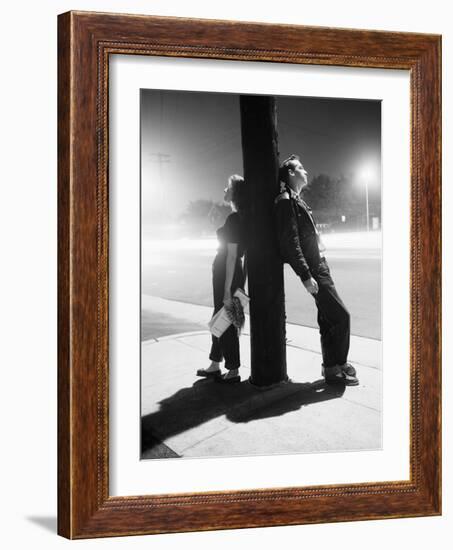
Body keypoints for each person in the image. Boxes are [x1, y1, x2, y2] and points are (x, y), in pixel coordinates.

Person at [274, 154, 359, 385]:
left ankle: (331, 368)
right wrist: (305, 275)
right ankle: (339, 363)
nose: (305, 171)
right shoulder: (285, 201)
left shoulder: (297, 200)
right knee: (342, 316)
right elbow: (290, 243)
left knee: (328, 320)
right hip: (314, 269)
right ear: (290, 173)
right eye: (300, 167)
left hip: (319, 264)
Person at [196, 175, 248, 383]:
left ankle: (233, 369)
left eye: (227, 187)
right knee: (220, 318)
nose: (224, 191)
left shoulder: (236, 219)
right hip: (229, 272)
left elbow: (233, 255)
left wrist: (227, 290)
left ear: (235, 193)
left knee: (226, 319)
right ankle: (215, 363)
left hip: (228, 272)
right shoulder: (238, 217)